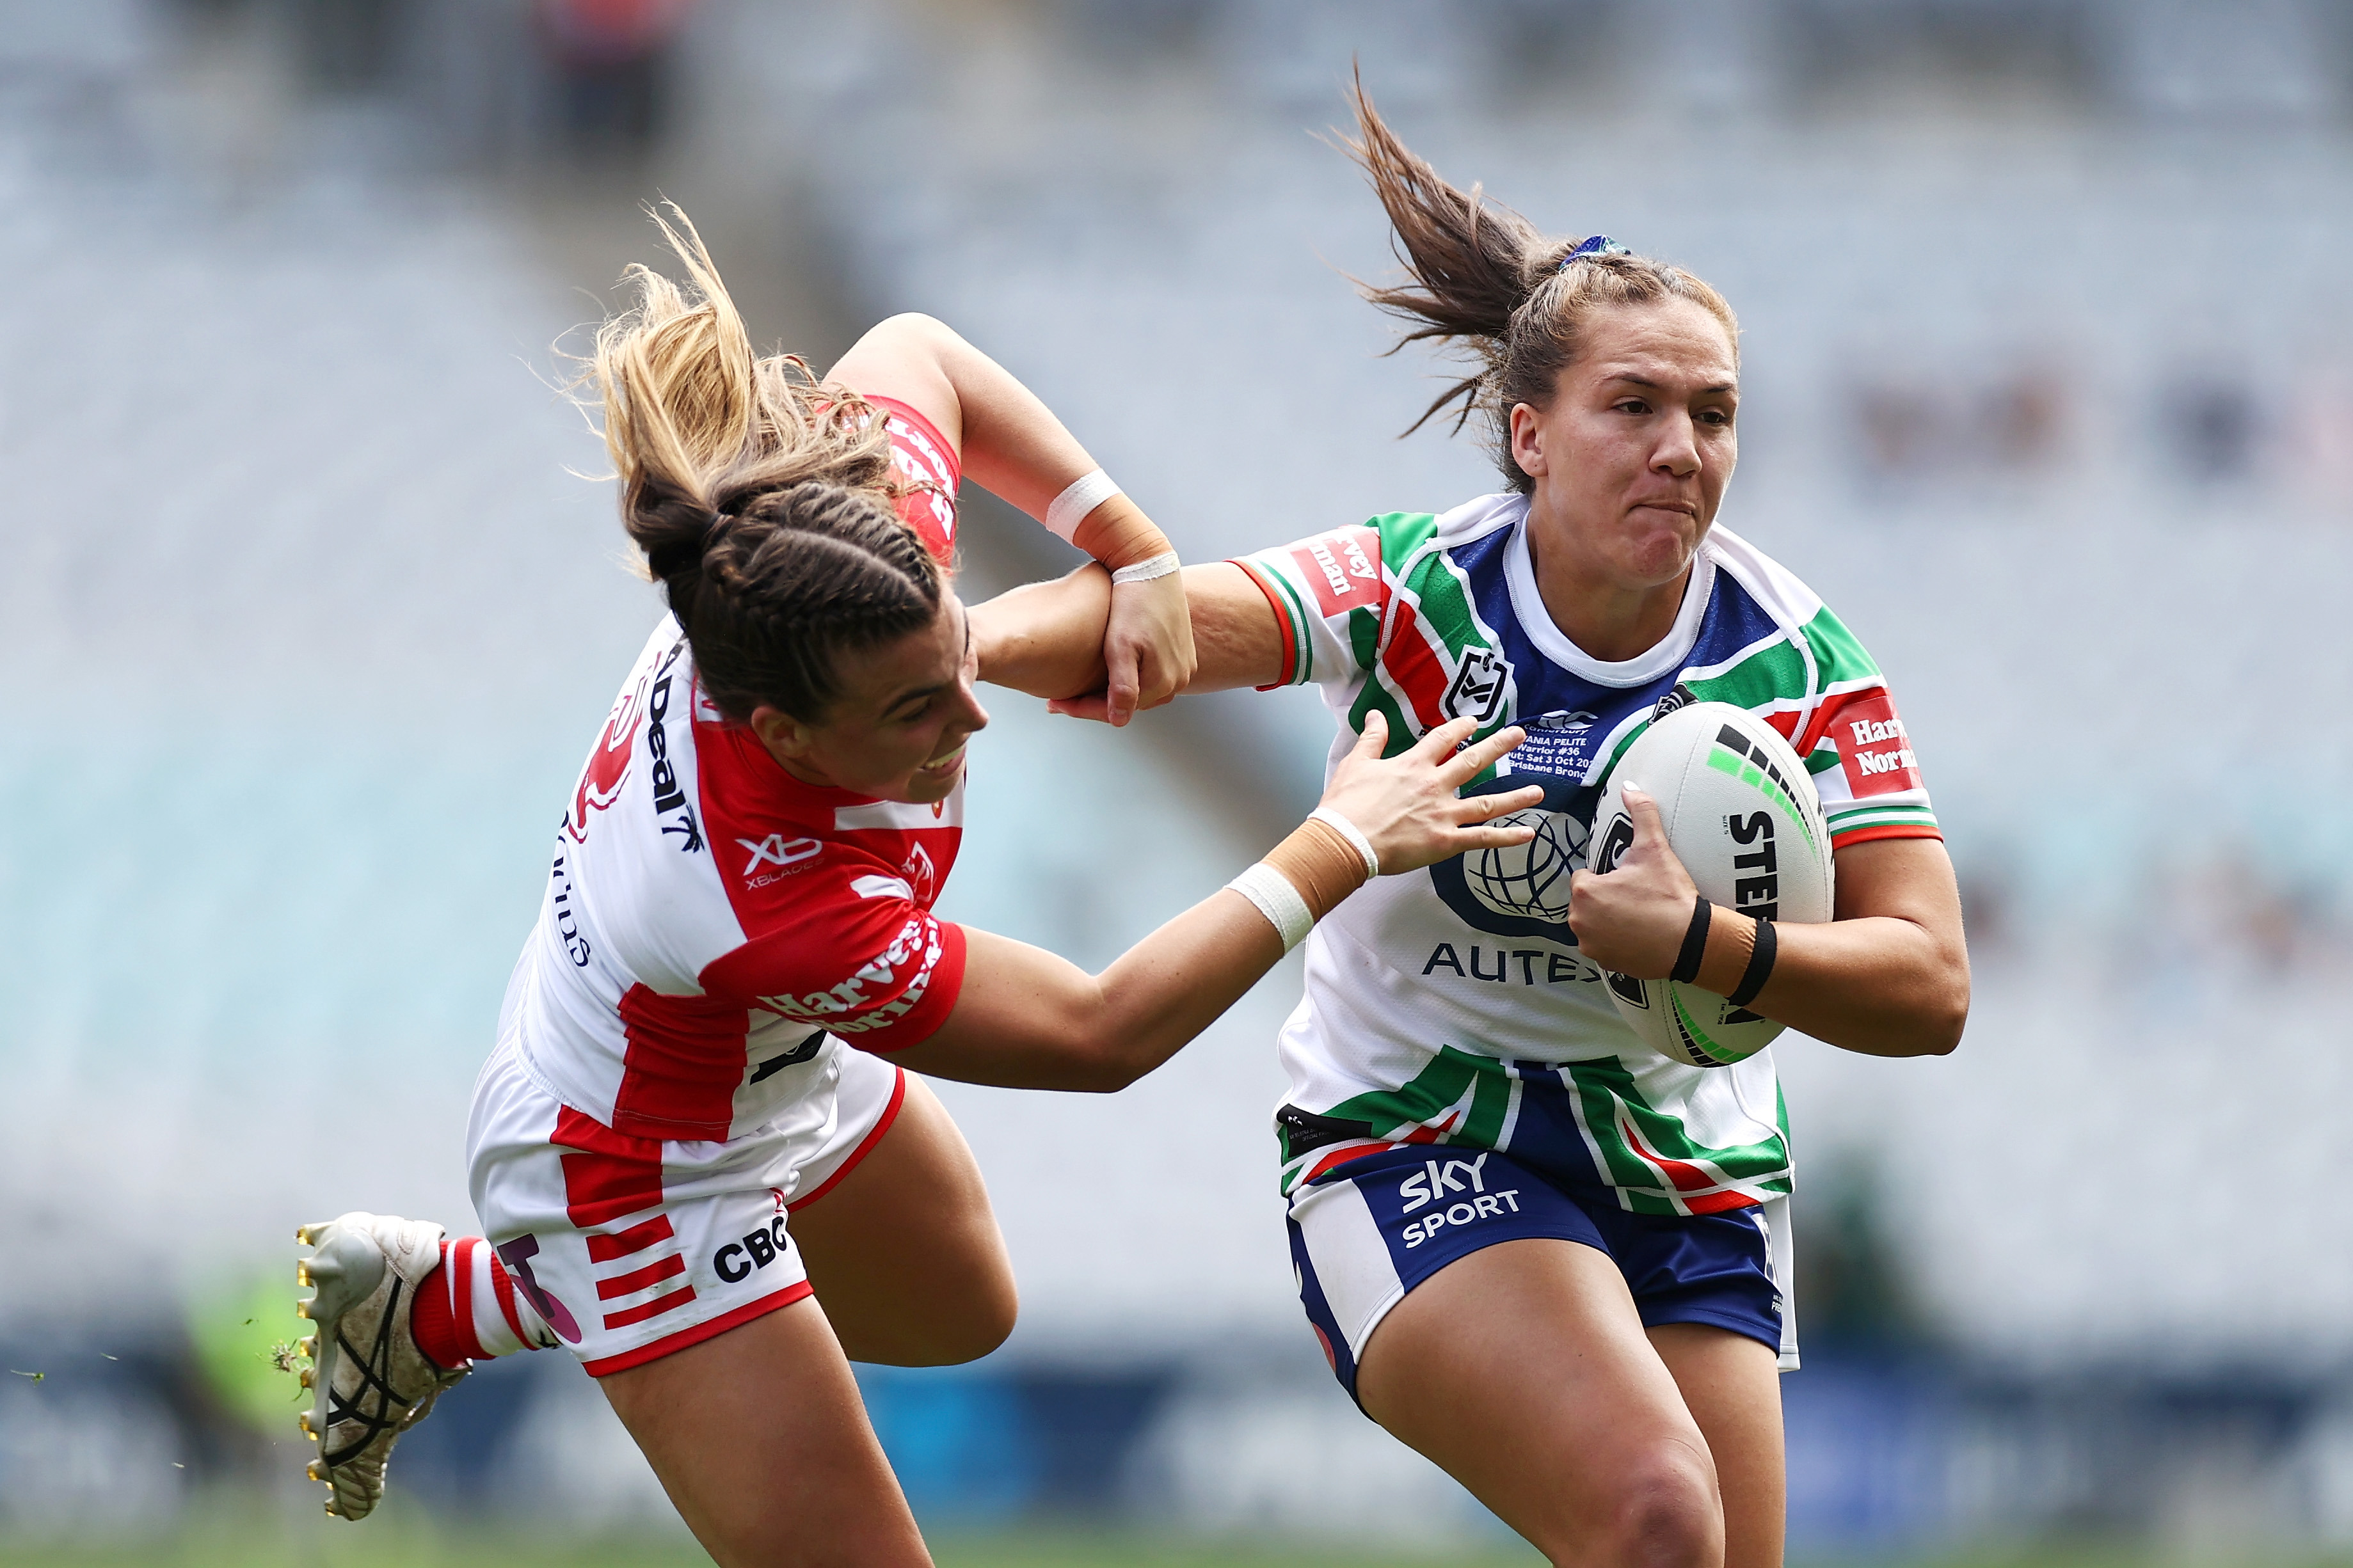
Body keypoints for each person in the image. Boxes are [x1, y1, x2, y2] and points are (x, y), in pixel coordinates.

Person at [289, 207, 1542, 1568]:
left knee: (959, 1304)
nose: (975, 709)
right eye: (917, 706)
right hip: (633, 1169)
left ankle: (446, 1300)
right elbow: (1095, 1033)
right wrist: (1339, 841)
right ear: (785, 737)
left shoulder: (849, 567)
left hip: (748, 1060)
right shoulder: (758, 895)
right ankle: (551, 1282)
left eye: (956, 650)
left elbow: (919, 349)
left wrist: (1132, 543)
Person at [997, 86, 1970, 1568]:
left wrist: (1702, 941)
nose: (1682, 448)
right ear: (1529, 432)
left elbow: (1931, 985)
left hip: (1689, 1163)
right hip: (1418, 1128)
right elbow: (1159, 619)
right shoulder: (1414, 588)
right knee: (1655, 1512)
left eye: (1713, 414)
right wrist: (939, 645)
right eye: (1633, 405)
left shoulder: (1801, 660)